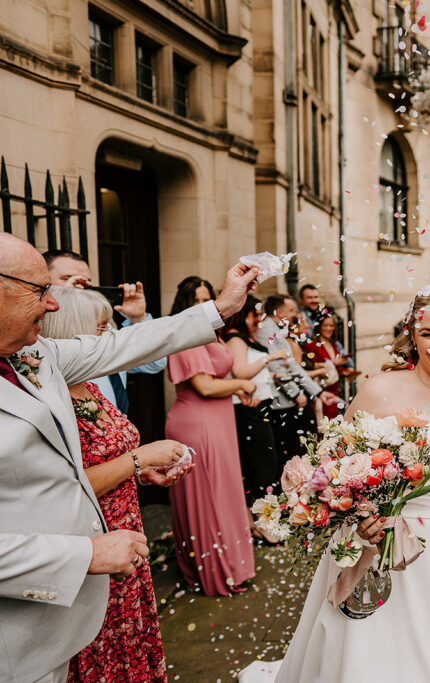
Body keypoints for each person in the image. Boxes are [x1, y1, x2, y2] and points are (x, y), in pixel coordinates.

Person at [0, 232, 256, 683]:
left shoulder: (32, 354)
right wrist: (83, 554)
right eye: (40, 291)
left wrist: (221, 308)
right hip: (14, 638)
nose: (54, 305)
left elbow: (119, 347)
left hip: (62, 625)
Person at [273, 284, 430, 682]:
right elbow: (329, 473)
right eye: (428, 333)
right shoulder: (378, 390)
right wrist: (358, 518)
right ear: (412, 337)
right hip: (376, 543)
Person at [41, 286, 196, 683]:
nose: (111, 338)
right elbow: (64, 484)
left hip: (127, 533)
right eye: (102, 328)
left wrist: (141, 474)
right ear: (71, 333)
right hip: (92, 543)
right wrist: (139, 458)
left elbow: (107, 460)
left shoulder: (91, 385)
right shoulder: (51, 399)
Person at [165, 276, 259, 596]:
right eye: (195, 300)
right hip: (198, 424)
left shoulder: (212, 335)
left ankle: (233, 566)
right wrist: (241, 385)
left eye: (207, 299)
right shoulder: (186, 336)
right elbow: (204, 386)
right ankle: (215, 573)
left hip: (219, 421)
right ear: (183, 305)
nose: (202, 305)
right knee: (208, 498)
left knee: (225, 494)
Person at [43, 249, 165, 414]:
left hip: (118, 425)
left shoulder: (105, 328)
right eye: (67, 278)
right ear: (43, 281)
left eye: (86, 281)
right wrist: (65, 301)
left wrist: (139, 318)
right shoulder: (41, 331)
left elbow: (154, 364)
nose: (79, 287)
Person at [223, 295, 289, 506]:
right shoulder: (235, 339)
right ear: (243, 314)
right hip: (249, 408)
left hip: (262, 404)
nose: (259, 320)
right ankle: (262, 512)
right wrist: (269, 358)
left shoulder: (247, 337)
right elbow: (241, 372)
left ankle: (261, 512)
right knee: (264, 462)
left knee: (268, 459)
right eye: (255, 315)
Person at [256, 294, 324, 461]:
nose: (295, 314)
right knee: (286, 449)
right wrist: (295, 393)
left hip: (288, 399)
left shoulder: (275, 329)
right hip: (279, 401)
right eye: (291, 310)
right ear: (280, 312)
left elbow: (292, 365)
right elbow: (276, 366)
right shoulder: (266, 329)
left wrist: (318, 392)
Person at [302, 311, 357, 421]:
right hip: (321, 390)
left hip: (334, 388)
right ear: (319, 327)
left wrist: (345, 371)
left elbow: (333, 369)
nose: (328, 328)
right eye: (325, 325)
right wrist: (333, 363)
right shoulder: (311, 345)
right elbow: (309, 367)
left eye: (331, 325)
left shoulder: (333, 343)